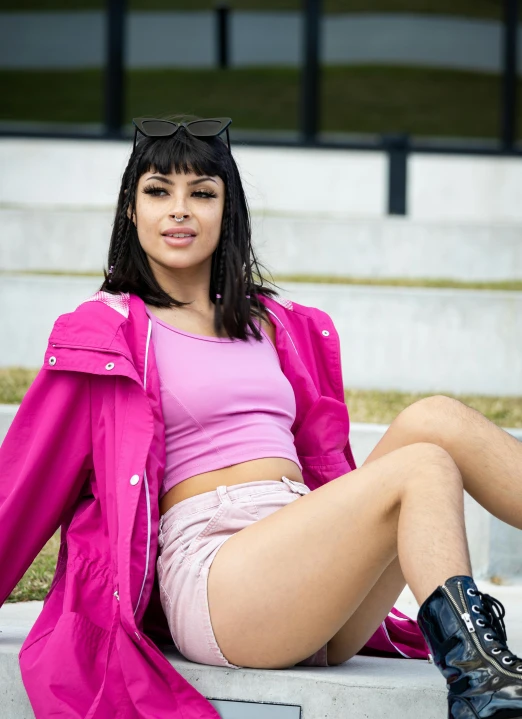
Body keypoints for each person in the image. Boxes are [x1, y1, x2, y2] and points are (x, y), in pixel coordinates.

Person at [1, 114, 521, 719]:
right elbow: (26, 479)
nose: (180, 209)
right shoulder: (106, 333)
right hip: (220, 576)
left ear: (227, 212)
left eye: (201, 193)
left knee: (437, 420)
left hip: (308, 567)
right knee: (423, 466)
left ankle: (484, 678)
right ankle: (483, 687)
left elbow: (322, 461)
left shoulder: (274, 325)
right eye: (158, 191)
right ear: (130, 210)